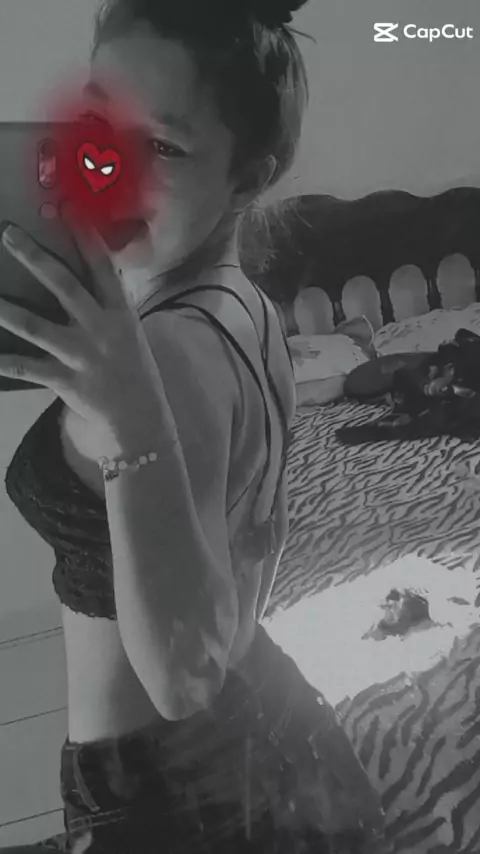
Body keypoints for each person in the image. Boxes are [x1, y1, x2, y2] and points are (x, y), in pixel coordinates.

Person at [0, 0, 387, 851]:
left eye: (165, 147)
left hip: (167, 799)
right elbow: (249, 545)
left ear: (248, 178)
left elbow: (183, 680)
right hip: (266, 731)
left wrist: (132, 415)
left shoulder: (166, 362)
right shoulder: (240, 303)